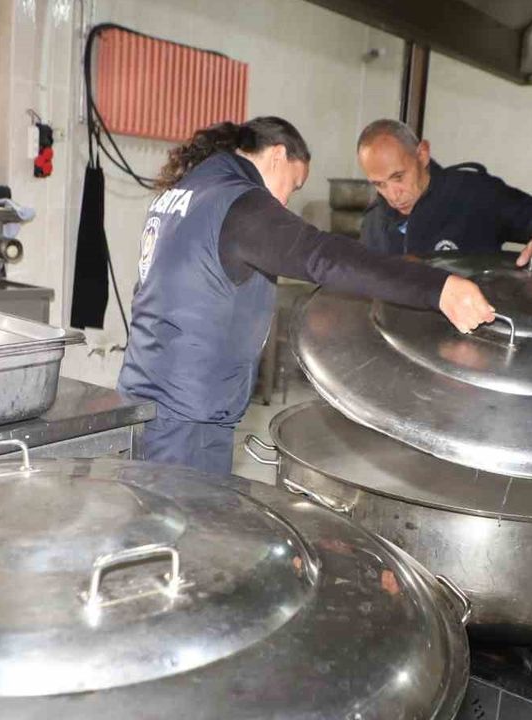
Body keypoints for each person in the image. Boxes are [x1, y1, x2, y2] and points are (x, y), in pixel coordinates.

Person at [117, 117, 497, 474]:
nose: (283, 203)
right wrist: (437, 288)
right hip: (188, 416)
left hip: (146, 397)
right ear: (278, 154)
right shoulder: (240, 203)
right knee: (185, 533)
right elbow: (323, 256)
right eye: (294, 185)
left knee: (152, 526)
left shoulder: (187, 192)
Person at [356, 119, 532, 267]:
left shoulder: (473, 194)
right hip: (395, 334)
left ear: (422, 155)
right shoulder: (374, 222)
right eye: (379, 184)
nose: (393, 195)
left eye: (398, 177)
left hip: (470, 333)